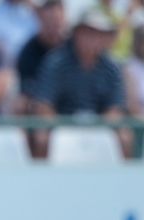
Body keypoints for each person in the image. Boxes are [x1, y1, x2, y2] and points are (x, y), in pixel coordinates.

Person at [32, 7, 131, 158]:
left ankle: (121, 180)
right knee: (41, 137)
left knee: (125, 137)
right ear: (76, 34)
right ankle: (41, 179)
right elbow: (44, 106)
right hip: (61, 126)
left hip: (100, 127)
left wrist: (98, 125)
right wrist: (64, 126)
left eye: (99, 34)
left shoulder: (112, 68)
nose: (94, 39)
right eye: (89, 33)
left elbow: (115, 108)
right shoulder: (55, 63)